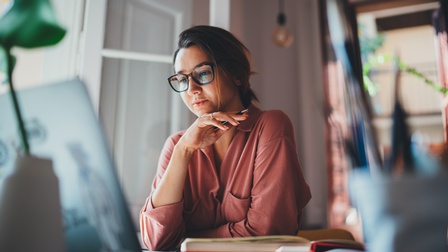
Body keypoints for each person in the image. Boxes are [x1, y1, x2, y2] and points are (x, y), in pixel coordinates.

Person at [140, 25, 311, 251]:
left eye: (202, 73)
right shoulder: (177, 145)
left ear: (236, 75)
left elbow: (267, 235)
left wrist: (185, 239)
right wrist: (183, 151)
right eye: (182, 80)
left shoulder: (270, 127)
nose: (191, 88)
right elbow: (155, 241)